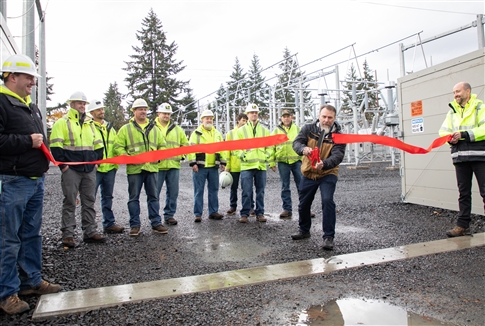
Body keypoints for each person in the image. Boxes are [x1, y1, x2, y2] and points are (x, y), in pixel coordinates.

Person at [0, 54, 61, 315]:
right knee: (9, 238)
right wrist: (27, 142)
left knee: (31, 234)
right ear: (12, 76)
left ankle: (31, 281)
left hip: (34, 180)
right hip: (13, 180)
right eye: (29, 78)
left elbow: (39, 139)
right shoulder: (2, 102)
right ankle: (6, 293)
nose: (33, 83)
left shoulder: (29, 105)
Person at [50, 91, 106, 248]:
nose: (82, 106)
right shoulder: (62, 122)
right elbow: (55, 146)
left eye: (84, 103)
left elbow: (99, 145)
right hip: (71, 169)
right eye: (79, 103)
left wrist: (96, 162)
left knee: (89, 200)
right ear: (71, 104)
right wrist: (64, 166)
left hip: (89, 168)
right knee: (70, 201)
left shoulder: (89, 124)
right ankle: (68, 234)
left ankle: (90, 232)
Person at [291, 104, 345, 250]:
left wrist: (325, 163)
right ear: (319, 116)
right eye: (324, 116)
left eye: (330, 117)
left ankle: (328, 237)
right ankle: (304, 230)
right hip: (309, 172)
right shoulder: (308, 129)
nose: (326, 120)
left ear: (334, 118)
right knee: (304, 203)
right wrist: (303, 149)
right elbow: (296, 143)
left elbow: (338, 155)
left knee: (327, 201)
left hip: (328, 172)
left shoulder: (339, 136)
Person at [113, 99, 167, 237]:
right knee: (133, 198)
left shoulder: (154, 128)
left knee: (153, 197)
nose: (143, 111)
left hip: (151, 168)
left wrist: (158, 156)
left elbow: (163, 145)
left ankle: (156, 223)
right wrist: (126, 157)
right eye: (140, 109)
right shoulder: (126, 129)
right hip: (135, 169)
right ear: (134, 111)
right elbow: (117, 146)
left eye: (145, 109)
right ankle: (135, 225)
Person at [439, 82, 485, 237]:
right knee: (463, 193)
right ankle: (462, 225)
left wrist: (464, 134)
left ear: (468, 91)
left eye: (458, 91)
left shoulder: (479, 107)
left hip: (479, 157)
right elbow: (443, 131)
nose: (455, 95)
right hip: (460, 158)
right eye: (454, 92)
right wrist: (449, 139)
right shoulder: (452, 112)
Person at [87, 99, 124, 234]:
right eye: (98, 110)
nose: (102, 111)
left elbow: (116, 146)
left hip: (109, 169)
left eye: (102, 109)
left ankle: (109, 224)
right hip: (95, 169)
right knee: (90, 198)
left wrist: (117, 163)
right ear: (91, 112)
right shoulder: (88, 126)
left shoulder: (110, 128)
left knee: (108, 197)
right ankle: (90, 228)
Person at [236, 103, 272, 223]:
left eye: (256, 112)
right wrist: (244, 156)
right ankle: (245, 213)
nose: (254, 114)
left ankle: (260, 213)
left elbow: (270, 146)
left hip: (261, 166)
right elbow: (236, 148)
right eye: (252, 112)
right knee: (246, 191)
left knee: (260, 191)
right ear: (247, 115)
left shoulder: (264, 131)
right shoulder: (241, 131)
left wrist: (266, 156)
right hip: (247, 165)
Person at [188, 109, 226, 222]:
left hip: (213, 167)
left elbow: (222, 149)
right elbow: (191, 149)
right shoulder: (196, 133)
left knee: (214, 190)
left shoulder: (217, 134)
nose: (209, 120)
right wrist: (193, 163)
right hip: (200, 167)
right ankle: (198, 214)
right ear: (202, 120)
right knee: (199, 191)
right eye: (207, 118)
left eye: (210, 118)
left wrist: (223, 163)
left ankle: (213, 212)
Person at [155, 103, 189, 225]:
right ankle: (155, 218)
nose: (166, 116)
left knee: (173, 192)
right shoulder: (152, 127)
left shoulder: (177, 129)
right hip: (157, 166)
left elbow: (185, 144)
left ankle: (169, 215)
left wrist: (181, 155)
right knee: (154, 193)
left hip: (173, 165)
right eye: (164, 113)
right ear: (158, 113)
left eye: (168, 114)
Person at [269, 109, 302, 218]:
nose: (286, 118)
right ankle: (287, 209)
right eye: (284, 116)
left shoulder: (298, 129)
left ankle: (305, 208)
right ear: (281, 118)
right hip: (283, 161)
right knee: (285, 186)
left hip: (297, 160)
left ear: (292, 117)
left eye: (288, 116)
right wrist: (271, 162)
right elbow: (271, 147)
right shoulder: (276, 131)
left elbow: (303, 143)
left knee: (302, 185)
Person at [225, 112, 249, 216]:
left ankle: (249, 207)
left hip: (246, 165)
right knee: (233, 187)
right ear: (238, 120)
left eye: (246, 121)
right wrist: (228, 165)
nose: (245, 123)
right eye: (243, 120)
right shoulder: (230, 134)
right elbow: (227, 151)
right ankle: (233, 206)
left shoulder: (248, 133)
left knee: (247, 188)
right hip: (234, 165)